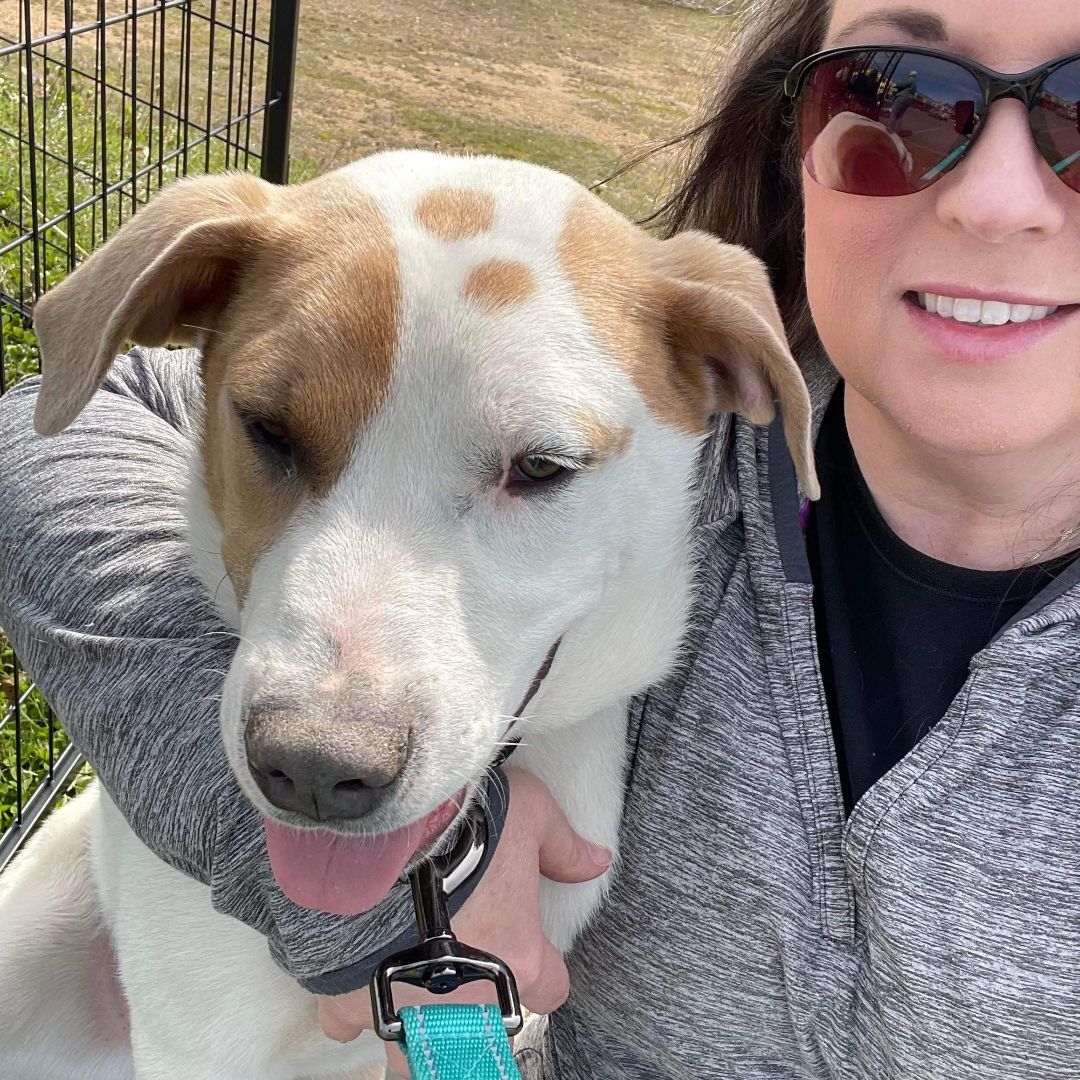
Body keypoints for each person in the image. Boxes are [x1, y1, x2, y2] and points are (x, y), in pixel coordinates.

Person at [2, 0, 1080, 1076]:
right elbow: (51, 417)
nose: (996, 201)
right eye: (899, 96)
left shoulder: (650, 409)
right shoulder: (681, 428)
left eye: (539, 470)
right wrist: (430, 894)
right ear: (790, 136)